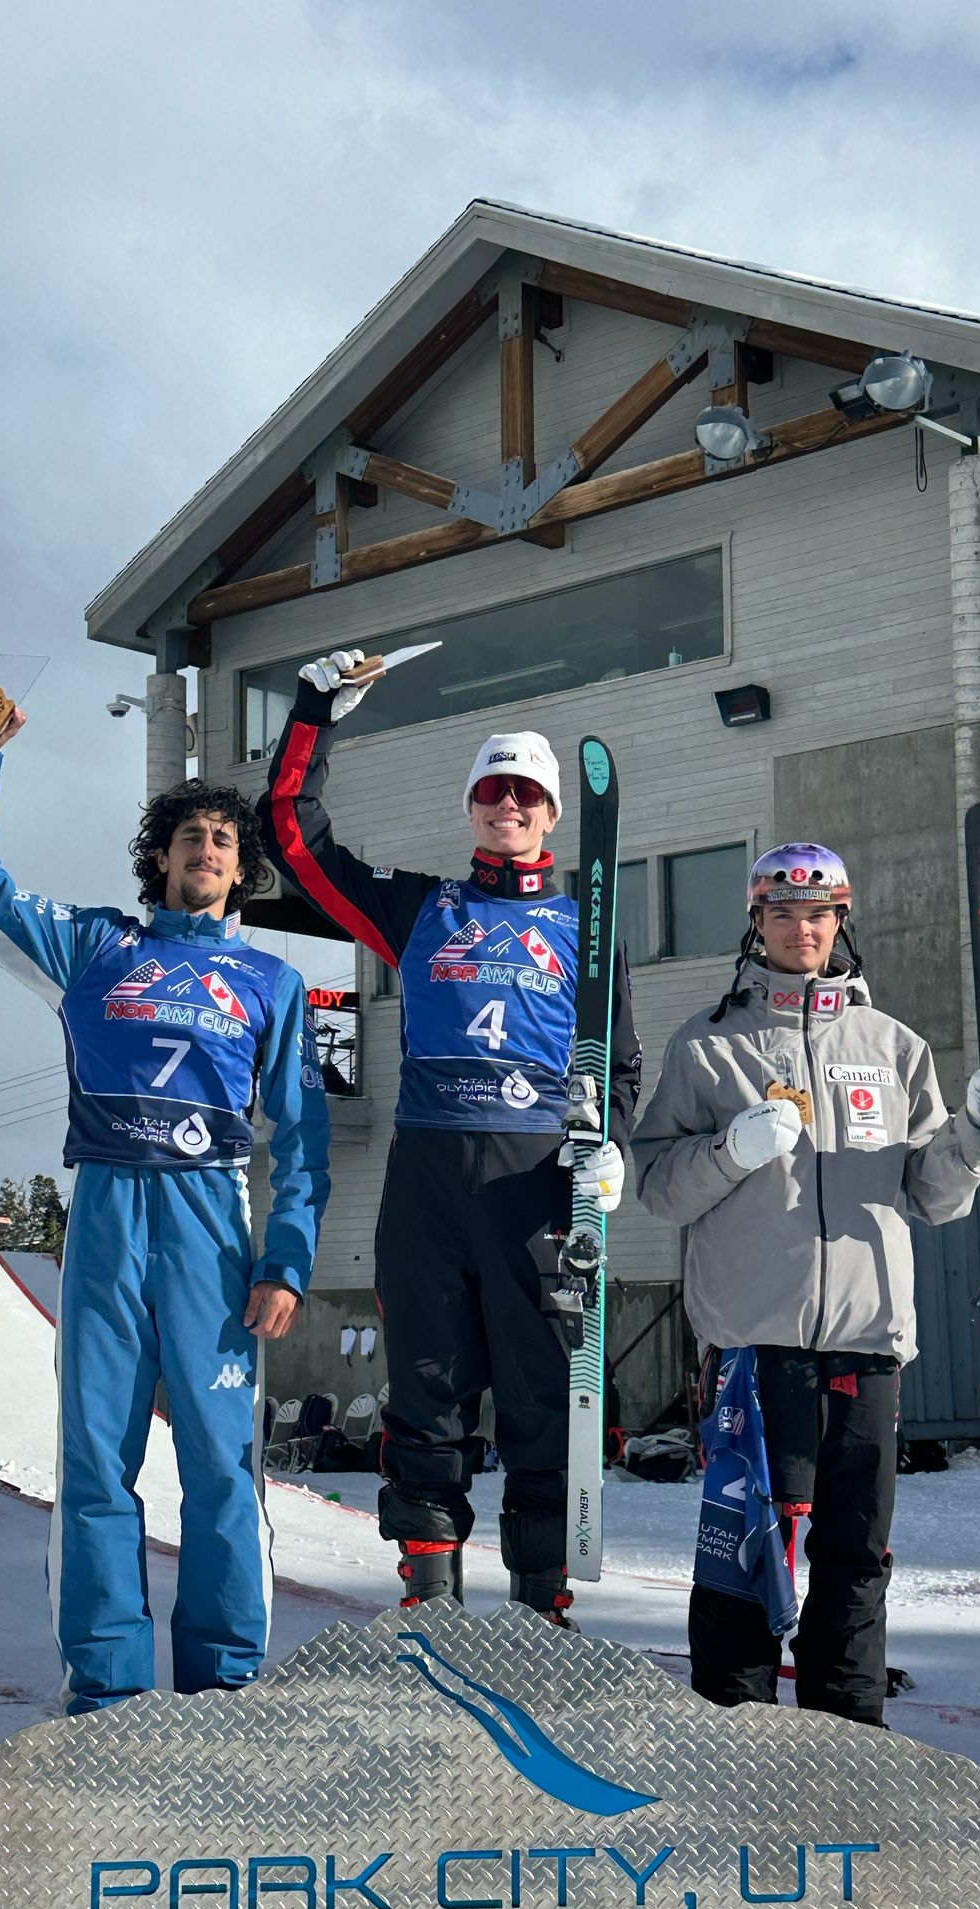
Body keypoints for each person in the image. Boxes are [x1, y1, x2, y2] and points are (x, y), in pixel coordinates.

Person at [0, 673, 330, 1713]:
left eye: (225, 840)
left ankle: (224, 1687)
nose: (207, 847)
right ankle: (106, 1692)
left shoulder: (270, 985)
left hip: (211, 1231)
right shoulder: (96, 948)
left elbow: (302, 1138)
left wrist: (285, 1256)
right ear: (159, 856)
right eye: (190, 834)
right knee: (96, 1469)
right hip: (108, 1216)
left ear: (243, 871)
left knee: (220, 1474)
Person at [260, 647, 640, 1624]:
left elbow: (621, 1068)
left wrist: (609, 1151)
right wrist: (315, 710)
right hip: (428, 1176)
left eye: (525, 794)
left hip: (534, 1185)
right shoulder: (422, 906)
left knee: (542, 1397)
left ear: (551, 814)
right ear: (472, 806)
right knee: (426, 1389)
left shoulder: (586, 927)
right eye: (491, 790)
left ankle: (542, 1601)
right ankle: (429, 1593)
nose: (507, 805)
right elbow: (296, 842)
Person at [634, 841, 980, 1726]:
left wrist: (976, 1135)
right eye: (782, 912)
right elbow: (658, 1184)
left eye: (819, 914)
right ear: (757, 921)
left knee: (857, 1555)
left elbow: (932, 1195)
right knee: (748, 1547)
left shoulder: (892, 1047)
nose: (802, 928)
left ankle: (849, 1735)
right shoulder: (708, 1045)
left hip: (866, 1341)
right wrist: (732, 1150)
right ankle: (733, 1731)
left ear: (840, 923)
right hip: (751, 1340)